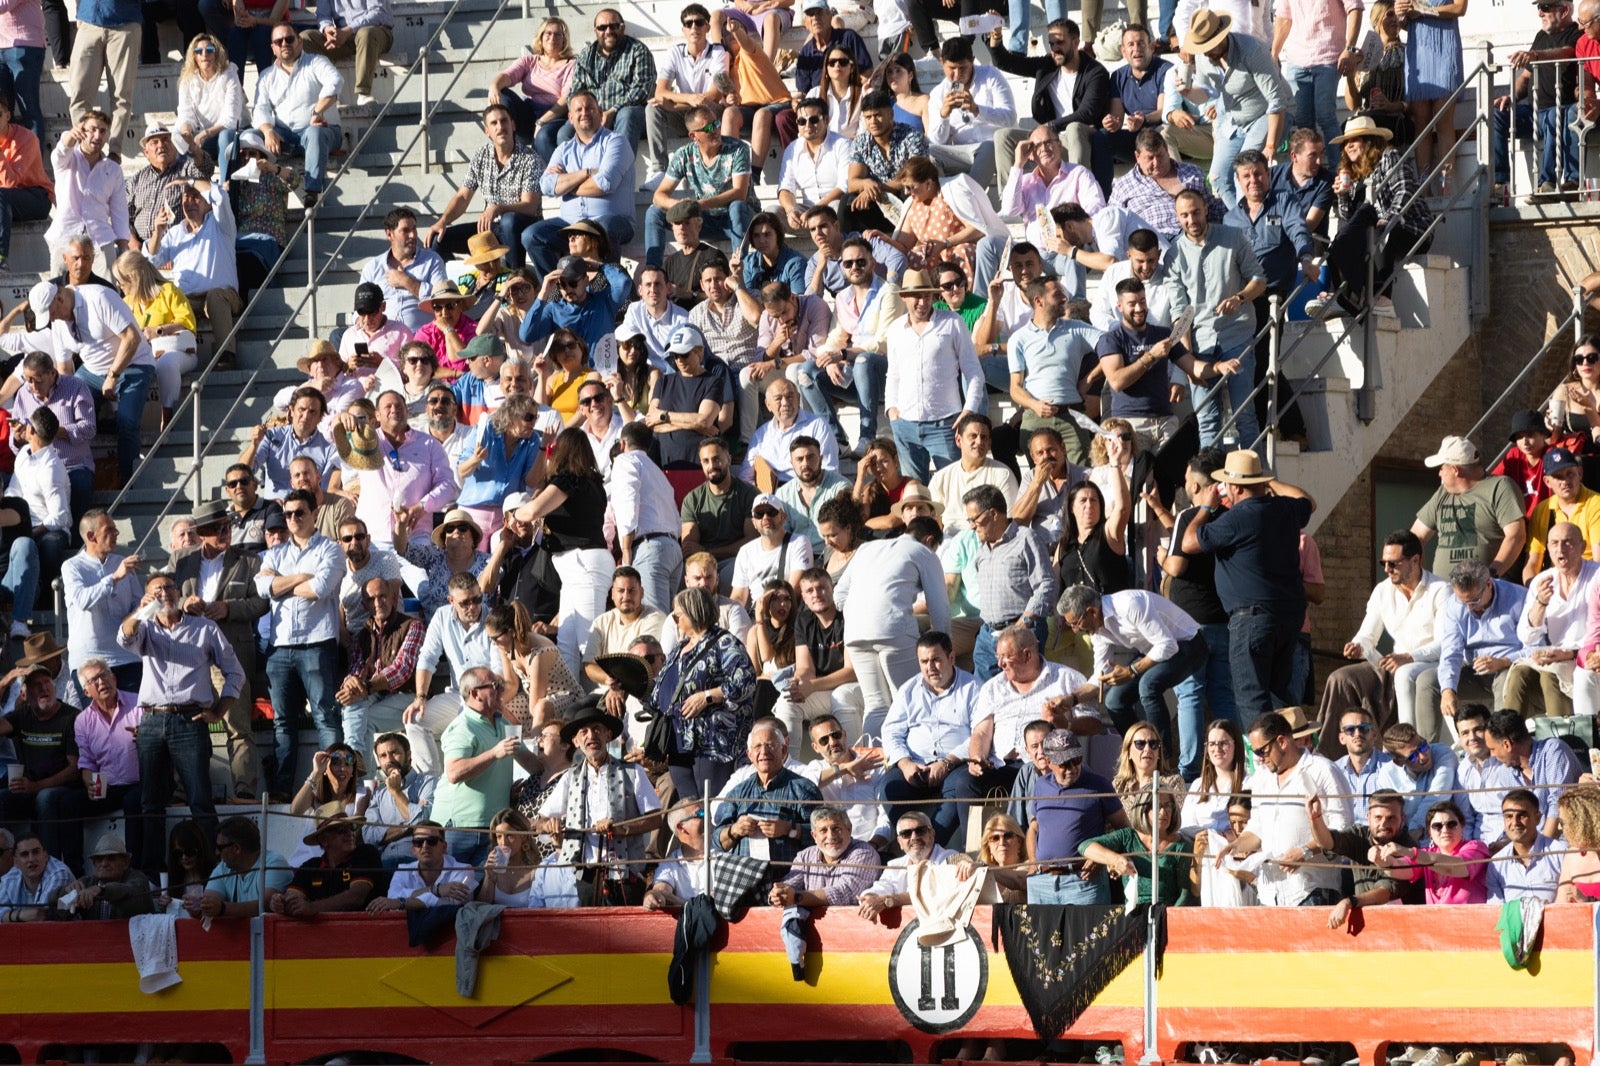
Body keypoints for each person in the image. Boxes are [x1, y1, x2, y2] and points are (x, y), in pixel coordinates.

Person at [1181, 450, 1315, 721]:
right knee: (1280, 705)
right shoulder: (1285, 510)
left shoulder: (1237, 518)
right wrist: (1269, 482)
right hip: (1288, 620)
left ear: (1236, 487)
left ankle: (1265, 761)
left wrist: (1206, 507)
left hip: (1252, 621)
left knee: (1253, 704)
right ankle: (1287, 760)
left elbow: (1188, 543)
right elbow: (1307, 501)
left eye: (1227, 483)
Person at [119, 570, 243, 851]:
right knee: (151, 803)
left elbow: (235, 672)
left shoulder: (205, 628)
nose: (164, 593)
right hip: (151, 721)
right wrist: (141, 609)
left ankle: (212, 870)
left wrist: (219, 710)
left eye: (169, 587)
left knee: (200, 800)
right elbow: (124, 638)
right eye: (157, 589)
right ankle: (153, 874)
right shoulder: (145, 627)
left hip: (190, 719)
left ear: (179, 592)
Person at [1315, 529, 1449, 751]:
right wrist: (1358, 646)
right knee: (1341, 678)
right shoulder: (1382, 591)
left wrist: (1409, 657)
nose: (1387, 569)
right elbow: (1368, 635)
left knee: (1404, 674)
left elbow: (1445, 644)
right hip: (1392, 666)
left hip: (1428, 666)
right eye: (1383, 563)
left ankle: (1400, 749)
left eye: (1394, 563)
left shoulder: (1440, 590)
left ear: (1415, 560)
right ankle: (1329, 756)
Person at [170, 499, 267, 800]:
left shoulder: (250, 561)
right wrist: (183, 604)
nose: (223, 532)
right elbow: (160, 599)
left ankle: (244, 791)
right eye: (214, 528)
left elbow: (261, 603)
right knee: (187, 728)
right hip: (191, 656)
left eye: (226, 526)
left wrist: (229, 608)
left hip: (230, 658)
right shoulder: (180, 560)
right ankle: (183, 789)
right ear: (200, 533)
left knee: (237, 726)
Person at [1057, 584, 1208, 768]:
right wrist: (1072, 700)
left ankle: (1163, 760)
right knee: (1114, 701)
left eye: (1075, 623)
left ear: (1092, 611)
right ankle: (1139, 757)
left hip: (1188, 644)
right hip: (1155, 650)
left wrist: (1132, 671)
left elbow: (1168, 645)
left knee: (1148, 685)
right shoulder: (1097, 630)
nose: (1075, 630)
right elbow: (1100, 675)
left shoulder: (1130, 605)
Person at [257, 487, 344, 798]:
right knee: (283, 722)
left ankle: (334, 789)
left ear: (314, 514)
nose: (292, 519)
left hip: (317, 643)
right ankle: (281, 791)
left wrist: (281, 584)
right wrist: (298, 578)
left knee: (325, 715)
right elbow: (262, 588)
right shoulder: (275, 552)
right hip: (279, 646)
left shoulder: (331, 550)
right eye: (288, 514)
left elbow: (320, 588)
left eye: (299, 513)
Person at [1163, 189, 1265, 449]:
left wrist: (1240, 298)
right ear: (1177, 218)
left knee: (1246, 416)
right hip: (1200, 343)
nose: (1191, 219)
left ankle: (1258, 483)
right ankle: (1210, 485)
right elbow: (1180, 313)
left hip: (1237, 334)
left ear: (1206, 209)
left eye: (1196, 212)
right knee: (1207, 421)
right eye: (1184, 215)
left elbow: (1259, 280)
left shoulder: (1233, 237)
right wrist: (1188, 362)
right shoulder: (1173, 254)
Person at [1307, 115, 1434, 319]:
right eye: (1346, 142)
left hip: (1413, 228)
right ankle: (1343, 297)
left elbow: (1405, 189)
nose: (1348, 146)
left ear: (1369, 142)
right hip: (1378, 231)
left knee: (1379, 233)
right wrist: (1342, 196)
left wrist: (1389, 218)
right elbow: (1350, 216)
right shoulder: (1354, 173)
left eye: (1354, 140)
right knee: (1340, 243)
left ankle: (1384, 298)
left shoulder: (1389, 156)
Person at [28, 278, 154, 482]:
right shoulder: (59, 324)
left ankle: (129, 482)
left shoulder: (99, 297)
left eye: (51, 313)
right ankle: (70, 470)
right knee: (64, 411)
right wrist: (61, 403)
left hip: (134, 363)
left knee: (127, 422)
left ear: (60, 298)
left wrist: (113, 375)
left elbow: (132, 338)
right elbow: (64, 369)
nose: (52, 320)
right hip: (93, 371)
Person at [535, 704, 660, 905]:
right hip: (586, 874)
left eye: (597, 729)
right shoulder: (570, 777)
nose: (591, 735)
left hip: (626, 873)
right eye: (584, 732)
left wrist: (621, 828)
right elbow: (539, 821)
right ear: (576, 741)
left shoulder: (634, 772)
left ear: (608, 735)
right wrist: (548, 825)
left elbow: (655, 819)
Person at [1225, 711, 1353, 905]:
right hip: (1269, 895)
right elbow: (1257, 827)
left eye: (1261, 751)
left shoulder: (1323, 771)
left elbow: (1343, 830)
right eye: (1254, 752)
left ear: (1282, 742)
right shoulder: (1261, 778)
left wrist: (1305, 852)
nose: (1258, 758)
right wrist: (1235, 845)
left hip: (1311, 891)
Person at [880, 631, 986, 848]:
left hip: (956, 764)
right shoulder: (908, 690)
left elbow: (980, 733)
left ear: (952, 658)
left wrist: (947, 762)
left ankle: (932, 847)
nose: (931, 667)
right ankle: (910, 844)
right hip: (914, 765)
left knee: (960, 786)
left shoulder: (974, 687)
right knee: (889, 786)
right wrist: (906, 764)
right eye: (924, 661)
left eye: (936, 659)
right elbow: (890, 731)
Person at [655, 586, 759, 799]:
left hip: (711, 742)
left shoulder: (724, 642)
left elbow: (746, 680)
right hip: (678, 742)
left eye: (678, 615)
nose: (675, 620)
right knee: (690, 808)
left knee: (709, 806)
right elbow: (661, 689)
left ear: (694, 612)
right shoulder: (679, 647)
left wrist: (708, 696)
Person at [422, 105, 543, 270]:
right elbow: (463, 197)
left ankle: (517, 279)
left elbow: (530, 206)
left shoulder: (530, 158)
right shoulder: (481, 156)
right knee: (438, 239)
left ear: (513, 125)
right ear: (487, 131)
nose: (500, 127)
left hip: (522, 225)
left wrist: (498, 208)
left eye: (504, 121)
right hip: (491, 228)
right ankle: (451, 290)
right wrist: (442, 222)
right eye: (494, 123)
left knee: (509, 221)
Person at [529, 91, 636, 277]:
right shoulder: (563, 149)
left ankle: (608, 292)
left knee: (604, 228)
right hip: (571, 224)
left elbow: (604, 184)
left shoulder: (616, 142)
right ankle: (559, 290)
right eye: (578, 109)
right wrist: (585, 173)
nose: (584, 112)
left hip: (613, 220)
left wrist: (566, 184)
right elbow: (546, 185)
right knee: (532, 236)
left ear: (600, 113)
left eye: (589, 108)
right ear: (570, 118)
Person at [988, 19, 1108, 183]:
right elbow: (1005, 62)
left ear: (1075, 42)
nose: (1055, 49)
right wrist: (996, 36)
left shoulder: (1095, 72)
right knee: (1004, 136)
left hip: (1083, 138)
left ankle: (1079, 195)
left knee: (1073, 128)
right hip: (1052, 139)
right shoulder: (1047, 65)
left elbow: (1087, 113)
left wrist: (1050, 126)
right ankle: (1010, 201)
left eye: (1060, 42)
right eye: (1051, 44)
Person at [143, 178, 244, 370]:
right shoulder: (175, 233)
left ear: (207, 202)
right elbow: (151, 261)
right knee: (167, 301)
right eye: (186, 197)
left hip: (223, 296)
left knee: (215, 296)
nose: (189, 202)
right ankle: (162, 356)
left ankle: (227, 354)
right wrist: (157, 232)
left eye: (195, 197)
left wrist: (188, 179)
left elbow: (221, 196)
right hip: (189, 300)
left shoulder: (221, 224)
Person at [643, 104, 752, 268]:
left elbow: (740, 193)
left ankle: (741, 270)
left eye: (716, 124)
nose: (715, 130)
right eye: (708, 128)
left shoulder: (738, 148)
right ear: (694, 136)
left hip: (739, 220)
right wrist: (680, 205)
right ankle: (653, 270)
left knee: (737, 206)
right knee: (654, 212)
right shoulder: (684, 154)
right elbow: (659, 196)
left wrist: (699, 205)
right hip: (705, 220)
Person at [0, 654, 83, 871]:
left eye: (47, 682)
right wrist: (5, 681)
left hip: (62, 787)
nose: (44, 688)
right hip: (29, 787)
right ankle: (7, 870)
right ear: (25, 694)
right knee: (1, 799)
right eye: (36, 685)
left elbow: (74, 769)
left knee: (45, 799)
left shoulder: (71, 717)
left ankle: (50, 869)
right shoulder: (23, 714)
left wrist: (36, 786)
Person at [1509, 521, 1600, 716]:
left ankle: (1565, 740)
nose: (1561, 549)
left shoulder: (1596, 576)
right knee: (1519, 674)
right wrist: (1541, 603)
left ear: (1583, 547)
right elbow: (1527, 637)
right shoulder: (1543, 581)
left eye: (1568, 543)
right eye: (1554, 543)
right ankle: (1508, 737)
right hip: (1557, 656)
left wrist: (1569, 654)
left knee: (1550, 674)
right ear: (1548, 548)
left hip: (1587, 656)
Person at [1025, 729, 1126, 904]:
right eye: (1065, 763)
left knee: (1089, 932)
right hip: (1042, 882)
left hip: (1083, 882)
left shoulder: (1099, 785)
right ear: (1049, 762)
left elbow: (1124, 829)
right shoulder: (1041, 786)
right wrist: (1033, 862)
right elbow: (1034, 828)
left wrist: (1101, 857)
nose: (1073, 768)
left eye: (1077, 760)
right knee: (1039, 932)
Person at [541, 9, 654, 162]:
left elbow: (642, 90)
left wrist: (613, 111)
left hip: (626, 114)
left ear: (622, 28)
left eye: (613, 26)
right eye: (602, 28)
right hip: (594, 114)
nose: (608, 31)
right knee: (564, 133)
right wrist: (588, 112)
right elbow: (575, 93)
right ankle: (577, 180)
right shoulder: (586, 55)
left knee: (628, 115)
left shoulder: (638, 51)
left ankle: (618, 173)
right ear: (595, 31)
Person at [1410, 434, 1527, 581]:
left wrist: (1490, 574)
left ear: (1455, 470)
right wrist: (1423, 581)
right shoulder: (1442, 494)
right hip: (1444, 594)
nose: (1439, 473)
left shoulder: (1500, 487)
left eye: (1441, 468)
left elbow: (1516, 536)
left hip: (1488, 595)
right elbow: (1415, 537)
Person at [712, 718, 823, 866]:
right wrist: (736, 829)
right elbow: (718, 841)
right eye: (757, 747)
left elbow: (824, 834)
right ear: (750, 755)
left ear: (783, 750)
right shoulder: (738, 793)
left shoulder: (803, 789)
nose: (764, 752)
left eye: (770, 745)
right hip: (746, 880)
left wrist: (789, 829)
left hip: (789, 878)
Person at [251, 23, 341, 205]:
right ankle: (249, 192)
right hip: (285, 137)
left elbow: (336, 81)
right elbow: (260, 108)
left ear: (299, 42)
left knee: (314, 132)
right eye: (279, 41)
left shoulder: (316, 62)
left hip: (321, 131)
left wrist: (317, 111)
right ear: (273, 48)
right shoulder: (267, 76)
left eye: (289, 39)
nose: (284, 43)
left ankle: (312, 190)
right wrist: (268, 131)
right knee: (248, 136)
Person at [1436, 560, 1525, 741]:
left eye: (1474, 600)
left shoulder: (1520, 598)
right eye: (1464, 602)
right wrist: (1447, 689)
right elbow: (1451, 651)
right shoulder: (1454, 604)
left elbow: (1536, 647)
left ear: (1489, 585)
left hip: (1510, 666)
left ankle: (1501, 745)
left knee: (1506, 680)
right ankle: (1428, 751)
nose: (1469, 607)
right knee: (1428, 682)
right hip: (1473, 669)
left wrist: (1503, 661)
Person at [62, 508, 143, 698]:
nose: (116, 533)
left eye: (115, 529)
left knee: (133, 723)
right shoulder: (72, 566)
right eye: (109, 530)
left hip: (127, 656)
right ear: (91, 536)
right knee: (97, 725)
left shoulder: (122, 562)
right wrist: (114, 577)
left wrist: (142, 607)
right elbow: (82, 600)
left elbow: (137, 602)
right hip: (89, 662)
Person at [44, 110, 129, 274]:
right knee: (61, 293)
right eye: (93, 129)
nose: (97, 136)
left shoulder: (113, 170)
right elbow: (59, 154)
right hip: (64, 236)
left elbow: (119, 211)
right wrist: (70, 136)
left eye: (103, 131)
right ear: (82, 131)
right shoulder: (68, 160)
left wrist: (124, 248)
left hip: (101, 239)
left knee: (108, 293)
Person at [1109, 128, 1223, 241]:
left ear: (1167, 150)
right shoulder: (1123, 185)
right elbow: (1111, 222)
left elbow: (1212, 208)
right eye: (1150, 158)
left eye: (1160, 155)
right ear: (1137, 157)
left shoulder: (1192, 173)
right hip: (1154, 243)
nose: (1156, 162)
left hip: (1194, 235)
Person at [680, 438, 759, 592]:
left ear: (728, 459)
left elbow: (751, 543)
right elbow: (689, 548)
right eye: (706, 461)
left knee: (731, 576)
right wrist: (705, 555)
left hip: (736, 561)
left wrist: (707, 551)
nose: (712, 466)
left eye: (716, 459)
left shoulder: (749, 494)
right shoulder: (692, 499)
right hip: (704, 564)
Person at [857, 810, 963, 921]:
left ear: (932, 834)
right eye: (906, 833)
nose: (914, 837)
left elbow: (930, 894)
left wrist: (886, 901)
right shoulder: (895, 865)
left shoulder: (950, 859)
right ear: (900, 842)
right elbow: (883, 886)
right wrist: (870, 897)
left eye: (920, 831)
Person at [272, 810, 382, 916]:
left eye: (351, 827)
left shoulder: (366, 853)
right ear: (324, 840)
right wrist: (280, 902)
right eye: (341, 830)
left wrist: (312, 908)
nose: (350, 833)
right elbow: (291, 898)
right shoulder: (310, 866)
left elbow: (356, 897)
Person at [65, 0, 138, 157]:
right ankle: (85, 150)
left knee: (121, 96)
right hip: (88, 20)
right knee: (79, 93)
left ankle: (114, 152)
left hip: (124, 22)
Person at [360, 207, 449, 333]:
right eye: (406, 230)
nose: (412, 235)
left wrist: (407, 281)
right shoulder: (373, 267)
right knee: (338, 335)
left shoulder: (432, 261)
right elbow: (360, 308)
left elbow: (442, 299)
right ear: (389, 234)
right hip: (383, 337)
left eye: (414, 229)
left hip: (420, 336)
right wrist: (361, 320)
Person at [491, 18, 576, 148]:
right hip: (529, 113)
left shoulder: (571, 65)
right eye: (548, 33)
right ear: (541, 37)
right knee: (503, 94)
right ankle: (506, 148)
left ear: (564, 39)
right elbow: (507, 76)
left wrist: (541, 122)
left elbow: (566, 99)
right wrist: (494, 86)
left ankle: (551, 168)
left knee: (543, 136)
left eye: (558, 34)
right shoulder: (529, 61)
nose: (552, 37)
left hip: (555, 115)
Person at [769, 805, 877, 908]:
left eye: (836, 828)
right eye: (823, 830)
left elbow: (846, 893)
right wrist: (779, 894)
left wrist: (797, 897)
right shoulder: (805, 856)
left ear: (848, 829)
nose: (830, 836)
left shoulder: (864, 853)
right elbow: (790, 885)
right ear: (814, 836)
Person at [1522, 447, 1600, 581]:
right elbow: (1532, 563)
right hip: (1555, 583)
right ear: (1547, 482)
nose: (1565, 481)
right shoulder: (1542, 510)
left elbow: (1598, 562)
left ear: (1580, 473)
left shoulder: (1596, 503)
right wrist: (1533, 591)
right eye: (1558, 476)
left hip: (1590, 580)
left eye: (1569, 474)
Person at [362, 731, 437, 869]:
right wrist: (409, 825)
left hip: (417, 864)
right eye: (383, 756)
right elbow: (367, 835)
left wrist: (396, 792)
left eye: (394, 752)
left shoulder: (428, 782)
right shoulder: (378, 794)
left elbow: (424, 823)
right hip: (384, 864)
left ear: (408, 755)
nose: (389, 760)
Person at [298, 0, 393, 107]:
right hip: (342, 37)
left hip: (376, 31)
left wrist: (349, 30)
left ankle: (363, 93)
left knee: (365, 33)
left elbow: (378, 13)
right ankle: (326, 94)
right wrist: (327, 29)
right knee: (305, 38)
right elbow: (323, 16)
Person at [176, 32, 245, 178]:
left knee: (224, 136)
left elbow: (231, 119)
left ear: (216, 53)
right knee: (180, 138)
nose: (204, 54)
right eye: (199, 51)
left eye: (209, 50)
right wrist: (187, 131)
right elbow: (185, 112)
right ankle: (187, 189)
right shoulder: (187, 79)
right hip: (204, 137)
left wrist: (206, 133)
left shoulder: (229, 74)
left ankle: (226, 186)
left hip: (232, 133)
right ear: (194, 56)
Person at [199, 815, 292, 918]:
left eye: (220, 848)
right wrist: (202, 906)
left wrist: (223, 909)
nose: (217, 853)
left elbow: (266, 906)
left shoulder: (274, 862)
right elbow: (210, 900)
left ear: (236, 848)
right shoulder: (223, 867)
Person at [0, 92, 50, 272]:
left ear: (7, 116)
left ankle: (0, 257)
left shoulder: (27, 138)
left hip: (35, 196)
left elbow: (9, 183)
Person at [1486, 788, 1562, 902]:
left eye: (1522, 815)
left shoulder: (1559, 853)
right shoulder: (1496, 864)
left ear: (1537, 818)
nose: (1515, 822)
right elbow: (1496, 911)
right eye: (1509, 816)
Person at [0, 832, 74, 922]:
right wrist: (21, 915)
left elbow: (40, 916)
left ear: (45, 855)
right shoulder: (9, 878)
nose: (31, 859)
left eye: (36, 852)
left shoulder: (59, 874)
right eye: (24, 854)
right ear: (16, 862)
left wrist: (10, 916)